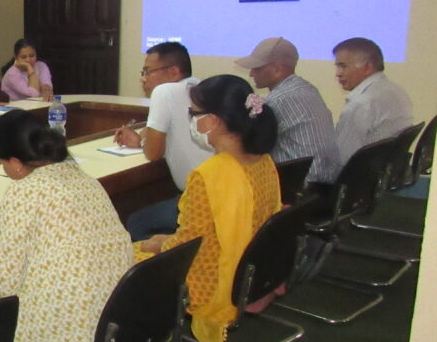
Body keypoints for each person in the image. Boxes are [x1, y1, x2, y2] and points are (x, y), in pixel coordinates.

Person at [0, 110, 131, 342]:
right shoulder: (84, 178)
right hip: (114, 320)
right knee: (47, 282)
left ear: (17, 164)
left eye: (1, 161)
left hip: (68, 336)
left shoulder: (23, 191)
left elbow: (5, 281)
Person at [135, 75, 281, 342]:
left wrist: (157, 244)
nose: (192, 120)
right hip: (250, 267)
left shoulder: (211, 174)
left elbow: (186, 248)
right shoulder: (264, 161)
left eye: (193, 113)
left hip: (210, 278)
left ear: (213, 120)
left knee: (127, 256)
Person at [114, 42, 212, 241]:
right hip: (214, 193)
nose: (143, 78)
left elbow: (153, 153)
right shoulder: (200, 87)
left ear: (174, 72)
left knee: (135, 222)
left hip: (199, 201)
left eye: (148, 71)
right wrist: (141, 137)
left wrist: (142, 142)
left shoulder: (164, 91)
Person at [236, 37, 340, 185]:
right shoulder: (307, 89)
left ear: (277, 68)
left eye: (257, 68)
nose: (252, 73)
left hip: (300, 187)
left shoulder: (278, 100)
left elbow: (250, 148)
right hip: (324, 183)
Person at [332, 37, 414, 166]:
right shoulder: (397, 92)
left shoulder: (361, 105)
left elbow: (339, 161)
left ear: (367, 68)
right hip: (383, 175)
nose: (338, 74)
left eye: (343, 66)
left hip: (357, 180)